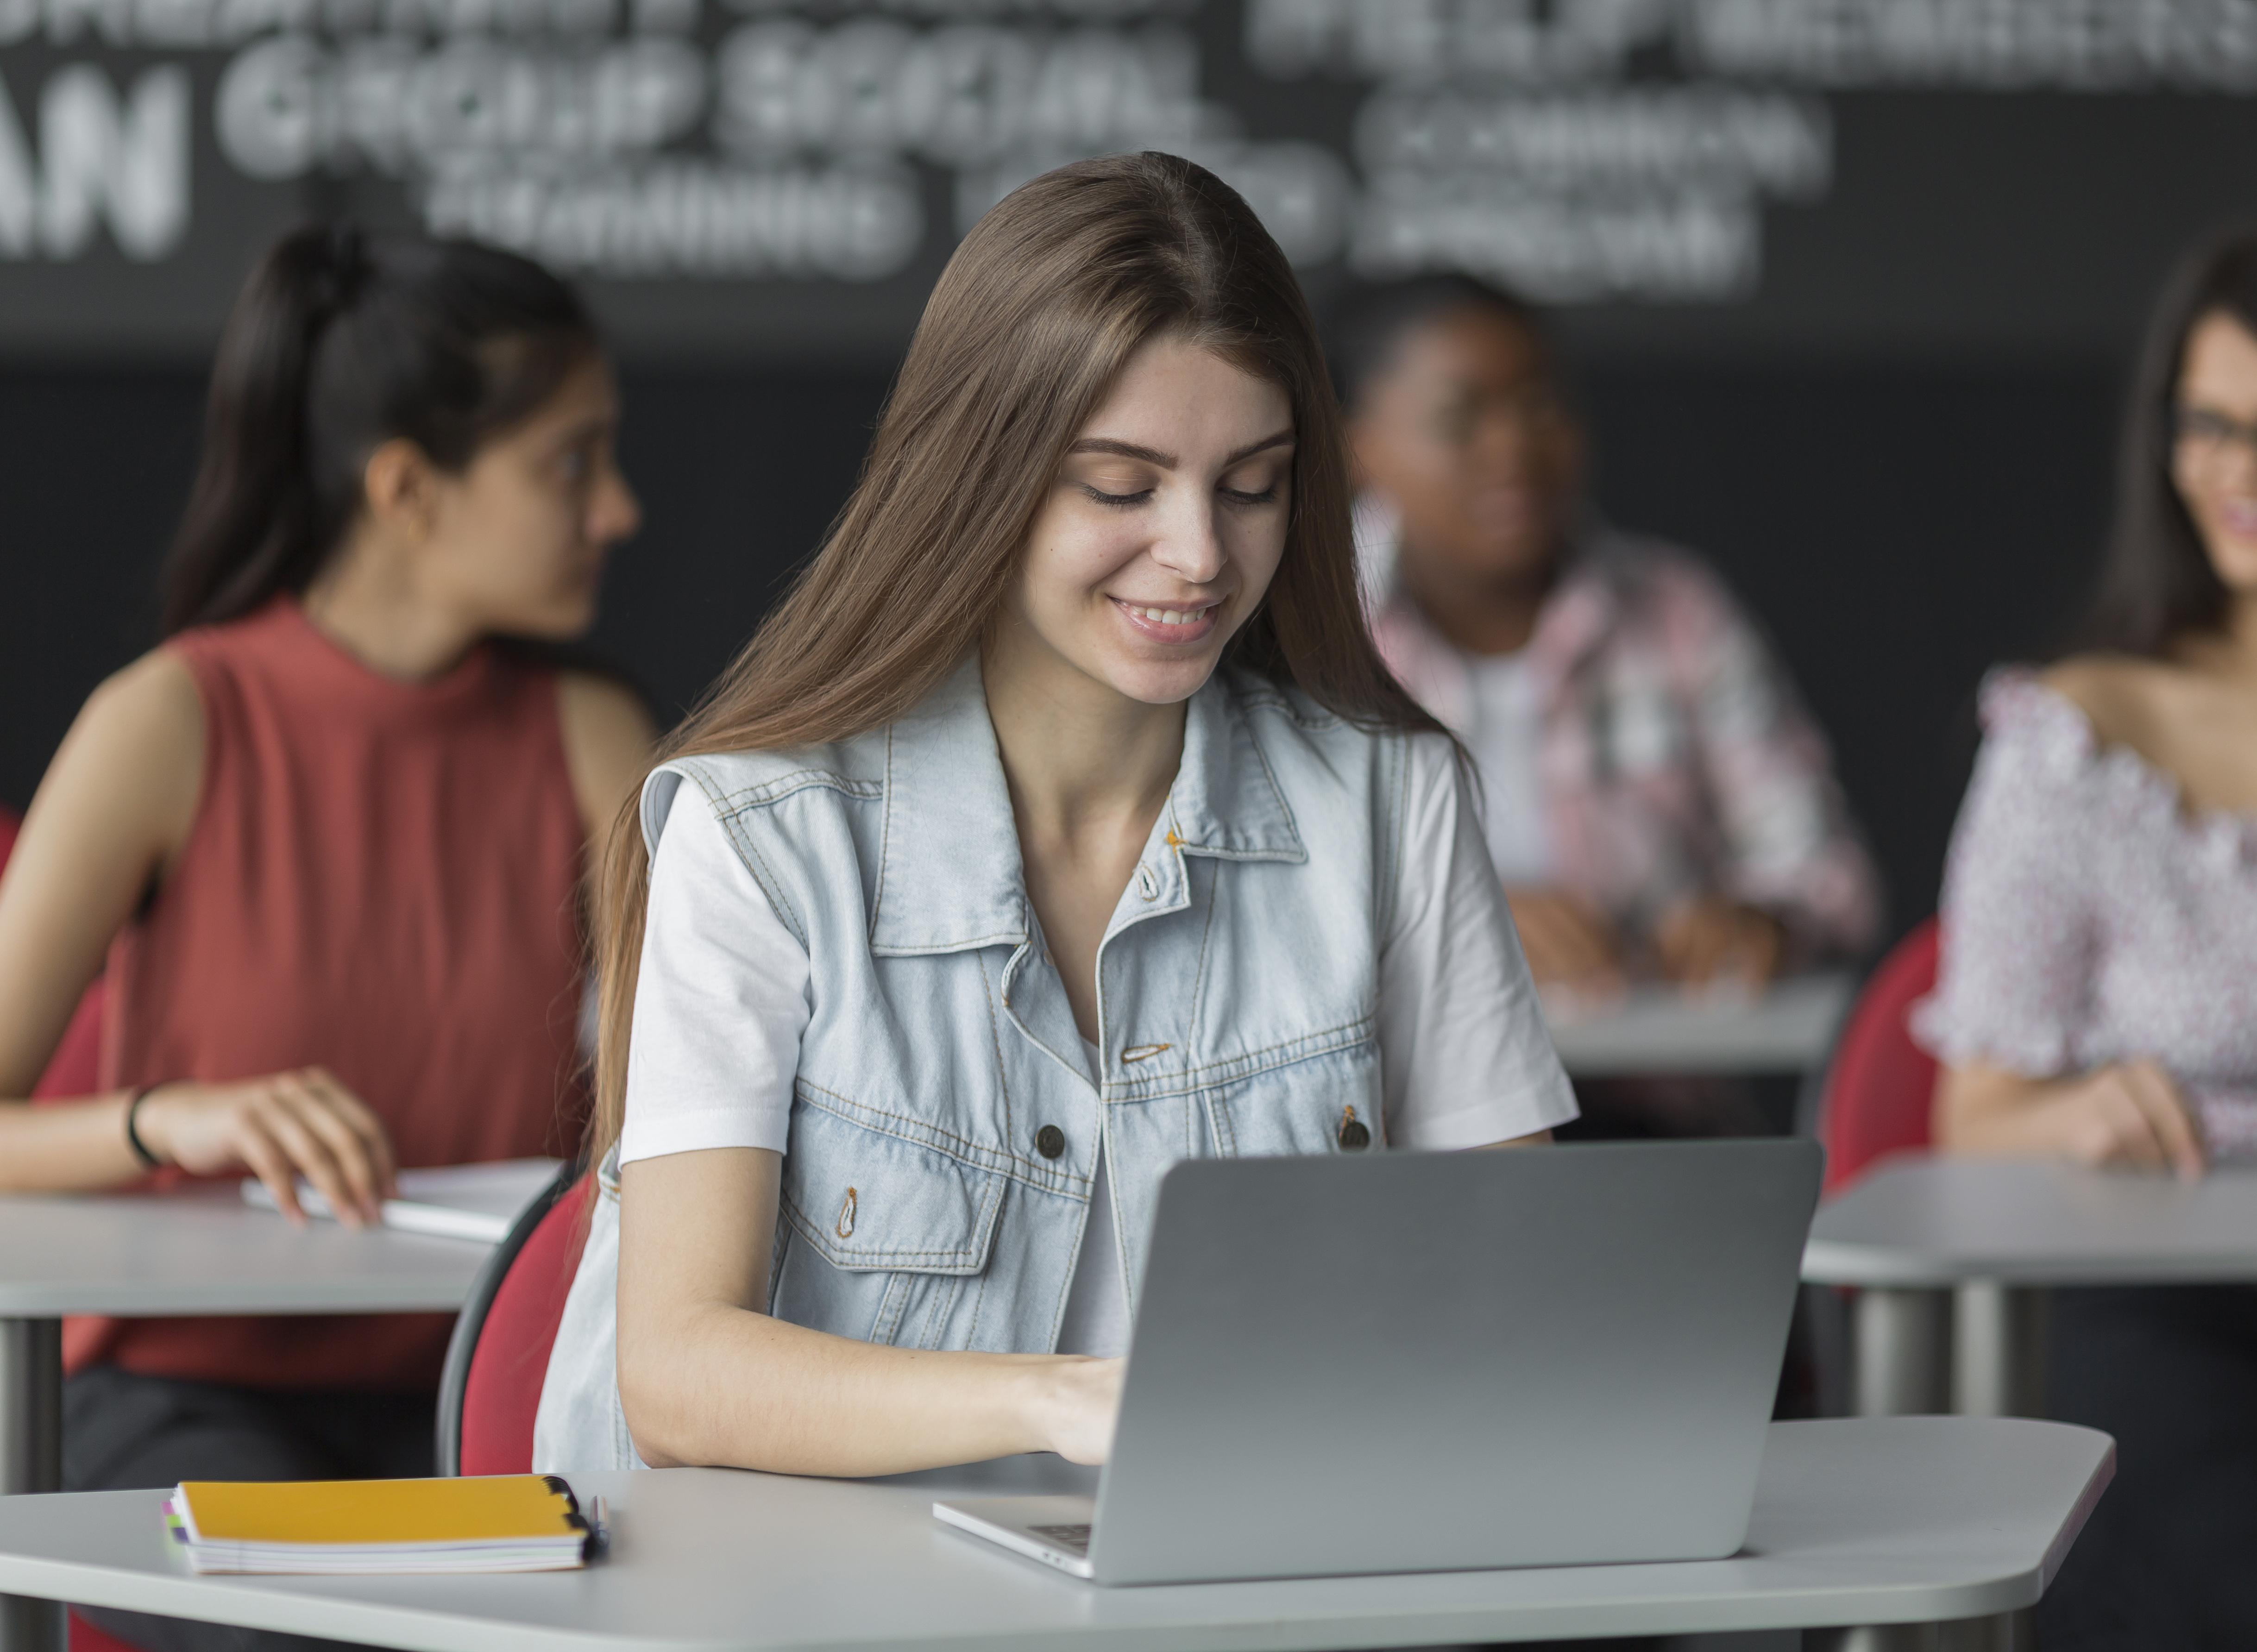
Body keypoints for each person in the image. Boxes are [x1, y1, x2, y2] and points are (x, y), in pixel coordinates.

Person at [533, 152, 1578, 1480]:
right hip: (826, 1608)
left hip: (1240, 1592)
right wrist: (1058, 1403)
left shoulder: (1394, 801)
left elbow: (1537, 1299)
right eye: (1122, 486)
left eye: (1252, 483)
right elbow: (679, 1375)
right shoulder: (762, 836)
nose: (1200, 552)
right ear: (985, 472)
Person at [0, 226, 651, 1652]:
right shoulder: (170, 721)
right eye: (569, 463)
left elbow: (701, 1084)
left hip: (484, 1393)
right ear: (409, 489)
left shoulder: (594, 741)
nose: (619, 510)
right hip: (187, 1399)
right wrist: (174, 1119)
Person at [1917, 229, 2257, 1650]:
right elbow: (1966, 1113)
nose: (2239, 473)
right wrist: (2075, 1113)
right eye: (2213, 426)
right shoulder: (2079, 735)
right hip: (2179, 1309)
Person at [1334, 277, 1879, 1000]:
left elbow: (1827, 872)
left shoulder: (1678, 611)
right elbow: (1251, 900)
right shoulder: (1306, 628)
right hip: (1388, 1104)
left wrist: (1761, 924)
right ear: (1355, 447)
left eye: (1539, 405)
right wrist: (1454, 920)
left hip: (1648, 1096)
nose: (1513, 449)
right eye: (1459, 418)